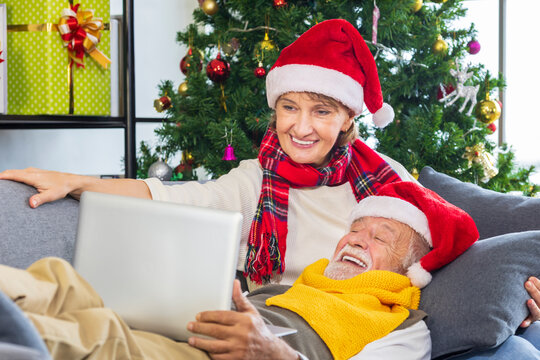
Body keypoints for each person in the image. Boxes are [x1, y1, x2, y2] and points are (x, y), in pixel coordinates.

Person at [0, 18, 538, 357]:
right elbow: (178, 195)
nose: (300, 128)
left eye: (321, 111)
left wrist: (522, 296)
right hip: (245, 307)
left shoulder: (389, 193)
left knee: (105, 336)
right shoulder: (259, 177)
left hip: (273, 340)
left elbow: (455, 244)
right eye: (288, 107)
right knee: (58, 281)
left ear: (349, 118)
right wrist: (74, 181)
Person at [0, 181, 479, 359]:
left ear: (411, 268)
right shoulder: (298, 283)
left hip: (212, 356)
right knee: (60, 278)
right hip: (188, 323)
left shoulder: (403, 328)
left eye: (381, 238)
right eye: (357, 229)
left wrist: (275, 353)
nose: (357, 239)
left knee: (100, 331)